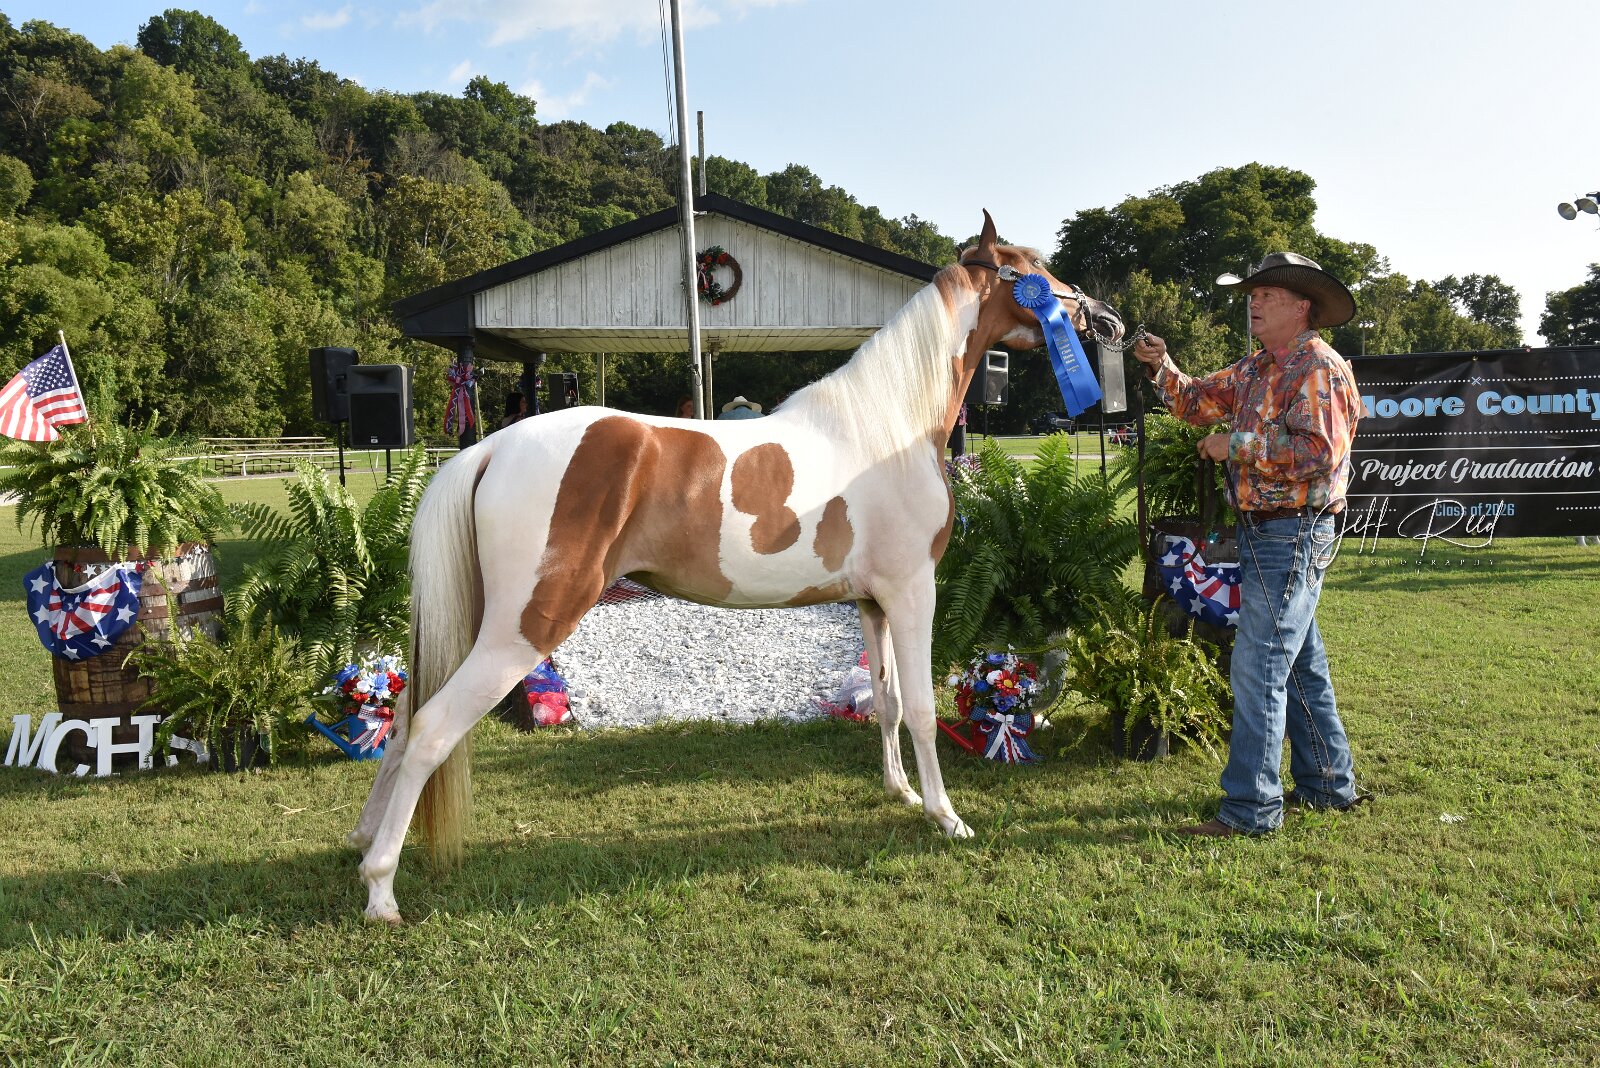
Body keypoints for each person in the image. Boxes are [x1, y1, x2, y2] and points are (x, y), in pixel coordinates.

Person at [1132, 252, 1369, 838]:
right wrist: (1161, 364)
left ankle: (1250, 810)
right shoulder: (1257, 366)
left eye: (1266, 296)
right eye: (1252, 295)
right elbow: (1194, 401)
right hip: (1272, 533)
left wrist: (1234, 445)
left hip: (1294, 531)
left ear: (1301, 307)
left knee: (1259, 665)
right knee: (1298, 665)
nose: (1253, 304)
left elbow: (1319, 454)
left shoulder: (1318, 368)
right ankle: (1328, 785)